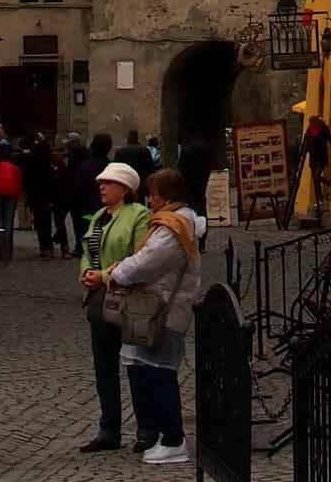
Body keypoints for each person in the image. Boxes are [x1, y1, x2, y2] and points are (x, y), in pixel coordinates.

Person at [108, 166, 204, 465]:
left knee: (161, 373)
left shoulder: (172, 227)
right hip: (157, 306)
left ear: (164, 196)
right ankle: (161, 433)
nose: (149, 201)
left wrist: (118, 272)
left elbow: (148, 262)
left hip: (164, 308)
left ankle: (174, 438)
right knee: (146, 368)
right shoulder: (175, 221)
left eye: (152, 195)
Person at [78, 161, 151, 453]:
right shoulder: (98, 216)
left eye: (108, 182)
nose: (102, 187)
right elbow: (86, 250)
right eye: (101, 183)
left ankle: (145, 428)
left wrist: (105, 275)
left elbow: (139, 256)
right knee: (104, 367)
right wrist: (86, 273)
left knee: (136, 364)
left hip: (127, 297)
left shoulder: (138, 215)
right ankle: (109, 429)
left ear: (125, 188)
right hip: (98, 298)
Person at [178, 135, 212, 218]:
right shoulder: (205, 146)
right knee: (201, 199)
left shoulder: (186, 148)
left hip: (188, 180)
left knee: (190, 203)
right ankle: (203, 222)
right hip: (202, 177)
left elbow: (182, 166)